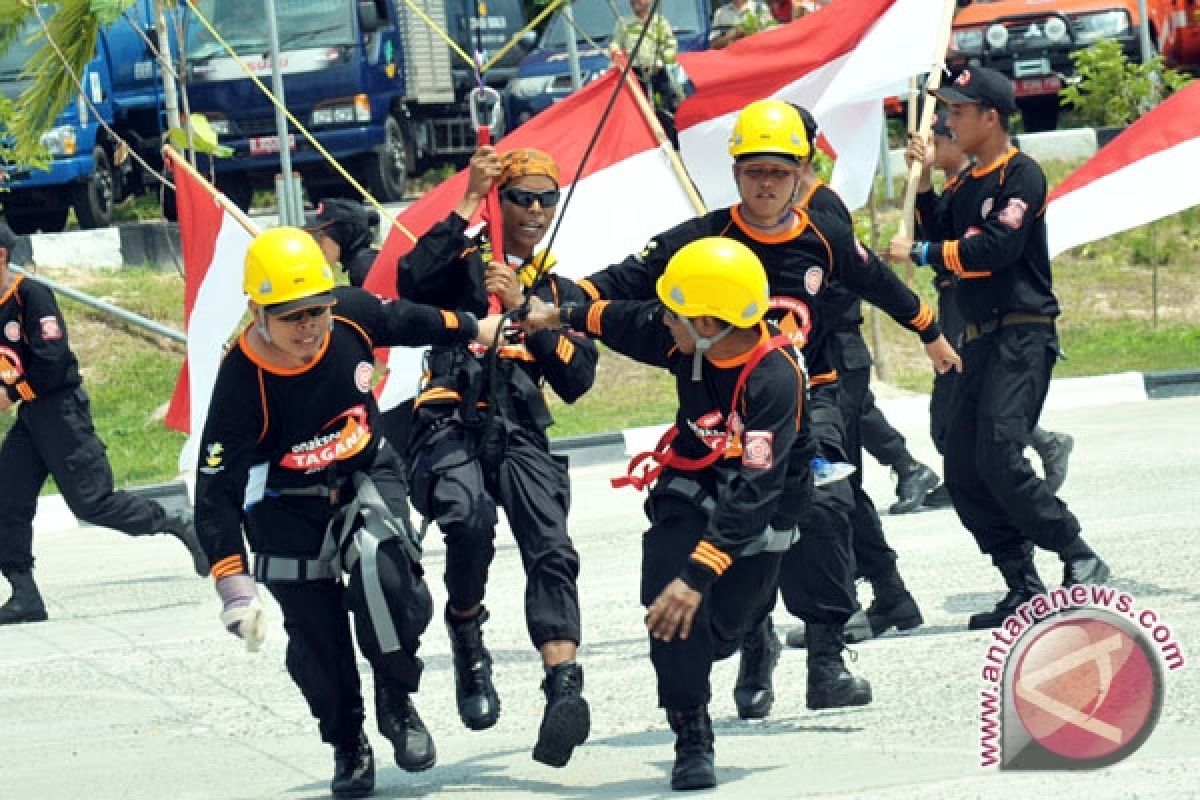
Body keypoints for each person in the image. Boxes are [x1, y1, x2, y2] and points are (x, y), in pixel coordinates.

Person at [575, 99, 959, 720]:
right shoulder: (705, 237)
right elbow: (621, 281)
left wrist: (932, 333)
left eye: (779, 172)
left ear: (801, 169)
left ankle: (827, 661)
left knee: (828, 504)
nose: (766, 184)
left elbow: (880, 285)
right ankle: (757, 643)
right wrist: (560, 303)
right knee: (737, 513)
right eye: (754, 171)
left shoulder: (822, 234)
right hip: (724, 403)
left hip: (815, 395)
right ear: (735, 172)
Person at [193, 226, 504, 797]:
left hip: (364, 470)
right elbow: (216, 486)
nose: (309, 328)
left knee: (385, 574)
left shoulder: (353, 316)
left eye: (318, 312)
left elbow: (409, 320)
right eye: (292, 318)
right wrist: (233, 582)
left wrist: (473, 326)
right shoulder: (240, 380)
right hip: (285, 500)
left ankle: (396, 696)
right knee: (316, 640)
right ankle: (348, 743)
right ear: (258, 312)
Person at [523, 236, 812, 791]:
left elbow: (756, 492)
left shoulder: (775, 378)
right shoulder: (689, 338)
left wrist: (699, 577)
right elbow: (622, 318)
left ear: (710, 322)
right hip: (691, 476)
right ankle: (691, 732)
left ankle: (754, 629)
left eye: (675, 314)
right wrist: (557, 314)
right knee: (670, 605)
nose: (665, 322)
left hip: (763, 500)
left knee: (721, 626)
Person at [396, 146, 597, 768]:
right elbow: (411, 282)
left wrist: (530, 318)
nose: (534, 210)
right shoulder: (465, 258)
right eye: (520, 197)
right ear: (500, 201)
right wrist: (464, 203)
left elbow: (578, 379)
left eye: (545, 199)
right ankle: (465, 627)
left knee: (551, 545)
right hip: (451, 419)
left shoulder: (555, 287)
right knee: (469, 521)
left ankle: (562, 685)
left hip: (520, 428)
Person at [888, 67, 1110, 631]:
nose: (949, 122)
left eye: (959, 112)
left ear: (991, 116)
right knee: (961, 467)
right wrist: (925, 179)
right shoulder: (966, 185)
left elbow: (996, 248)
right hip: (978, 340)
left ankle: (1078, 553)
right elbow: (935, 224)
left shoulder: (1022, 175)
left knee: (1000, 455)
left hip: (1023, 332)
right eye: (947, 113)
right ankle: (1020, 582)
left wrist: (920, 254)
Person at [0, 220, 207, 626]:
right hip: (31, 417)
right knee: (7, 498)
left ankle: (177, 522)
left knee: (92, 502)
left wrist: (9, 393)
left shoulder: (30, 296)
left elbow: (52, 360)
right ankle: (24, 593)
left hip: (61, 412)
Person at [778, 105, 926, 649]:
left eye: (781, 160)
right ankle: (885, 594)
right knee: (836, 484)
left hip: (835, 355)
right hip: (815, 357)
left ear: (805, 154)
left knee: (835, 484)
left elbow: (854, 285)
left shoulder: (822, 210)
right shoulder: (795, 211)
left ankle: (869, 598)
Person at [909, 113, 1075, 507]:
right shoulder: (957, 187)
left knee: (959, 397)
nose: (929, 150)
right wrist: (922, 182)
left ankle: (999, 475)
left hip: (993, 308)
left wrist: (926, 253)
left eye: (935, 141)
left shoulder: (1000, 179)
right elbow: (933, 233)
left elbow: (986, 247)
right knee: (964, 397)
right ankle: (979, 474)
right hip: (960, 298)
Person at [305, 198, 381, 288]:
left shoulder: (364, 268)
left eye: (320, 235)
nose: (316, 243)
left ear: (344, 235)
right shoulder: (363, 262)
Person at [710, 0, 776, 49]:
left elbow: (773, 38)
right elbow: (713, 45)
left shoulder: (761, 9)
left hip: (756, 58)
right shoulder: (720, 13)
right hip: (732, 62)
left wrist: (752, 34)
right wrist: (730, 36)